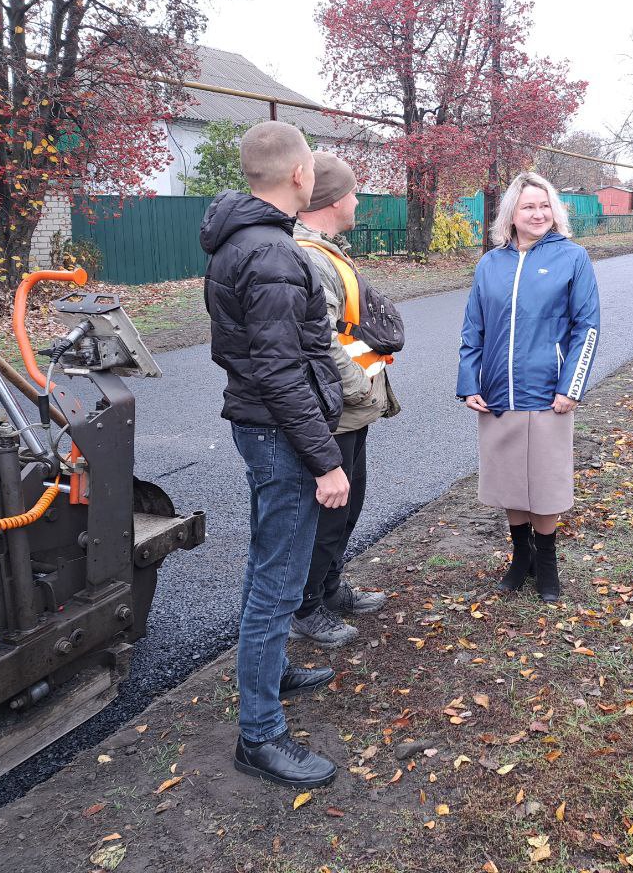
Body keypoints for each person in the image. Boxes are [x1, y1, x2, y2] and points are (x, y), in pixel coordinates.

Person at [200, 121, 350, 790]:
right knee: (276, 583)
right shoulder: (271, 255)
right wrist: (326, 461)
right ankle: (259, 735)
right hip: (280, 435)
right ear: (299, 176)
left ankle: (271, 673)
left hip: (265, 428)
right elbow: (281, 373)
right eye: (313, 168)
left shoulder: (252, 243)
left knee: (270, 567)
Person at [457, 172, 600, 603]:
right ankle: (522, 558)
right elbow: (473, 328)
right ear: (511, 215)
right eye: (528, 207)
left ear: (554, 211)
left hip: (549, 392)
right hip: (498, 394)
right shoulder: (490, 264)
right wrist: (469, 382)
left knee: (546, 483)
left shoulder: (573, 258)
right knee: (510, 482)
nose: (538, 214)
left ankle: (548, 562)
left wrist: (571, 385)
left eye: (544, 206)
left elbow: (586, 328)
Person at [290, 152, 400, 648]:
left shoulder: (325, 248)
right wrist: (359, 389)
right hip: (336, 411)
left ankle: (330, 590)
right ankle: (307, 608)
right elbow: (322, 341)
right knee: (329, 515)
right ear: (334, 200)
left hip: (348, 411)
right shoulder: (311, 256)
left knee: (348, 508)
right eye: (353, 193)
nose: (357, 200)